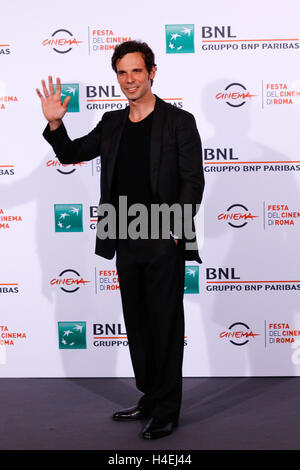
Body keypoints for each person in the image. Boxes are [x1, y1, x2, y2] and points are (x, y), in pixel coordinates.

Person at [36, 40, 204, 440]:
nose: (129, 80)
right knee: (139, 325)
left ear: (151, 73)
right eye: (122, 73)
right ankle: (149, 396)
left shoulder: (179, 122)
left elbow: (192, 181)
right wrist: (57, 125)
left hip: (164, 235)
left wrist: (176, 228)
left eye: (136, 71)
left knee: (165, 325)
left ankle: (167, 409)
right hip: (123, 235)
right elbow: (72, 153)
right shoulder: (112, 123)